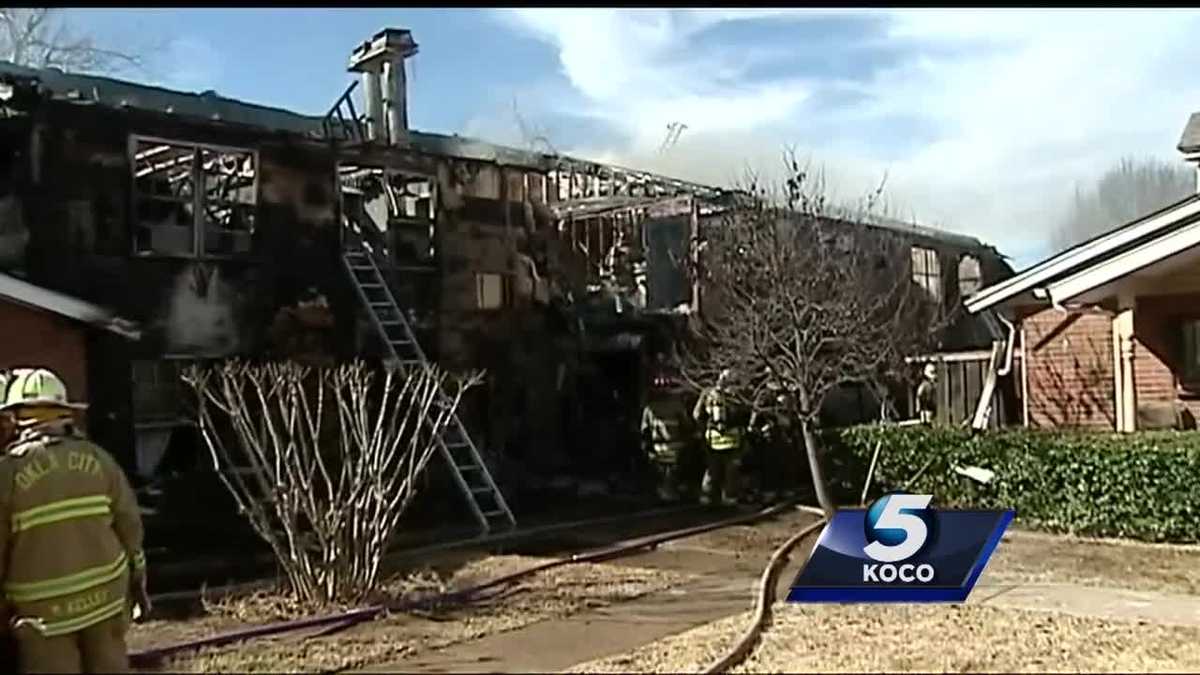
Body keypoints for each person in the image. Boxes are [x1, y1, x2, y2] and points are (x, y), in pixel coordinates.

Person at [0, 367, 151, 673]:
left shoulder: (8, 474)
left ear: (16, 417)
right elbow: (130, 527)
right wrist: (138, 585)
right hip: (106, 598)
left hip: (44, 613)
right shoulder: (100, 459)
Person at [692, 369, 747, 506]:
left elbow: (697, 414)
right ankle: (729, 498)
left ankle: (706, 497)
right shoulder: (737, 395)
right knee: (731, 470)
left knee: (711, 469)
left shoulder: (707, 393)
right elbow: (744, 415)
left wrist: (704, 428)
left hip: (712, 439)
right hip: (733, 441)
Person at [641, 370, 692, 503]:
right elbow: (686, 425)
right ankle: (669, 492)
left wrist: (648, 448)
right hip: (672, 444)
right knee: (670, 471)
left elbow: (645, 431)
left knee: (665, 471)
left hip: (662, 445)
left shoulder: (649, 408)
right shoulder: (676, 406)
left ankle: (666, 492)